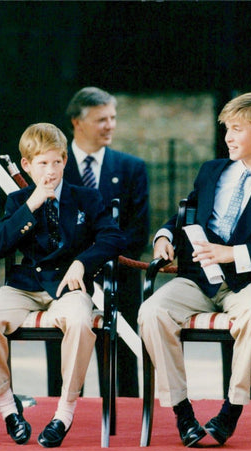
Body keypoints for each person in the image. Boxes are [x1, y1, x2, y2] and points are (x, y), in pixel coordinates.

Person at [138, 92, 251, 447]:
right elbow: (185, 213)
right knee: (151, 310)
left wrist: (234, 254)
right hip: (199, 280)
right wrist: (163, 235)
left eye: (237, 129)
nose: (228, 137)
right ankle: (182, 411)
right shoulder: (211, 170)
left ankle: (231, 409)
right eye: (227, 129)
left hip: (250, 282)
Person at [0, 123, 125, 448]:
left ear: (65, 160)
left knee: (82, 322)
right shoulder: (18, 200)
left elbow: (113, 236)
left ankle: (64, 412)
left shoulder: (86, 197)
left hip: (68, 286)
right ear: (27, 166)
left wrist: (83, 262)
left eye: (56, 162)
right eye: (42, 163)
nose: (51, 171)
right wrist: (32, 205)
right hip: (25, 285)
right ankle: (8, 407)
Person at [44, 87, 150, 398]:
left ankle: (127, 424)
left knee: (122, 359)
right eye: (101, 119)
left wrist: (93, 260)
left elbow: (137, 231)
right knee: (63, 359)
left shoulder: (132, 168)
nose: (110, 125)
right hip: (65, 277)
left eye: (113, 118)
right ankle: (60, 414)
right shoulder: (55, 168)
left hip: (119, 276)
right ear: (77, 122)